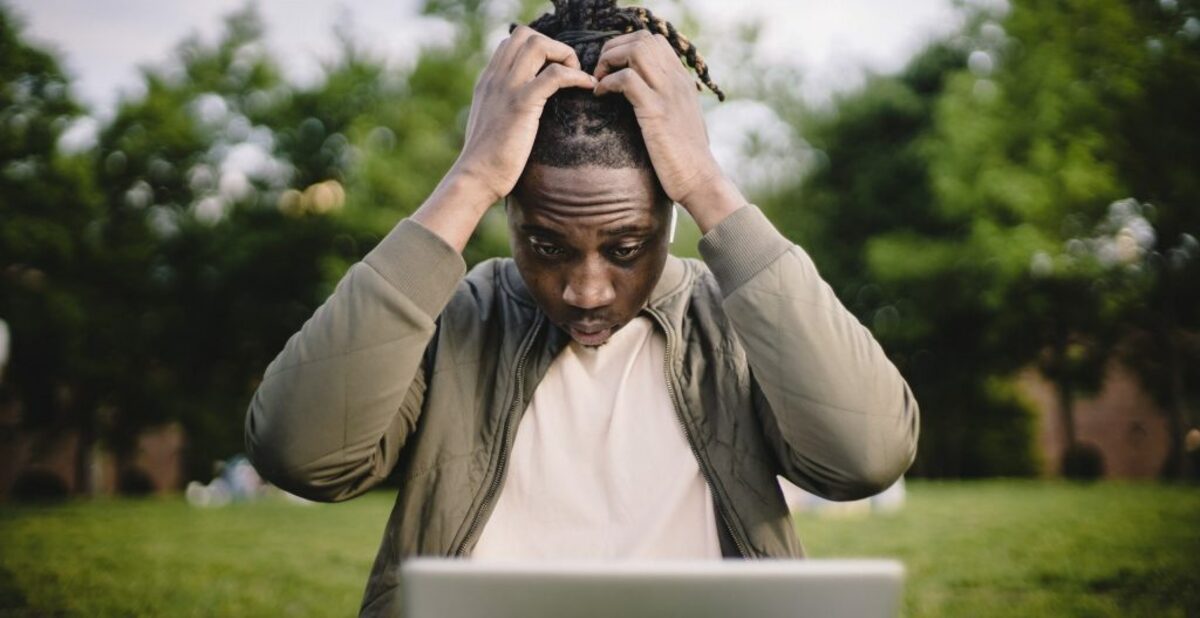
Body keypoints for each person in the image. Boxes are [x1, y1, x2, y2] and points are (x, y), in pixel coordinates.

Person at [243, 0, 920, 615]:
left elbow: (866, 456)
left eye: (626, 247)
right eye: (546, 244)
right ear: (507, 211)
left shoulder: (741, 322)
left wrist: (709, 183)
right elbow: (300, 454)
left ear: (670, 215)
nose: (586, 290)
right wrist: (469, 176)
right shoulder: (453, 316)